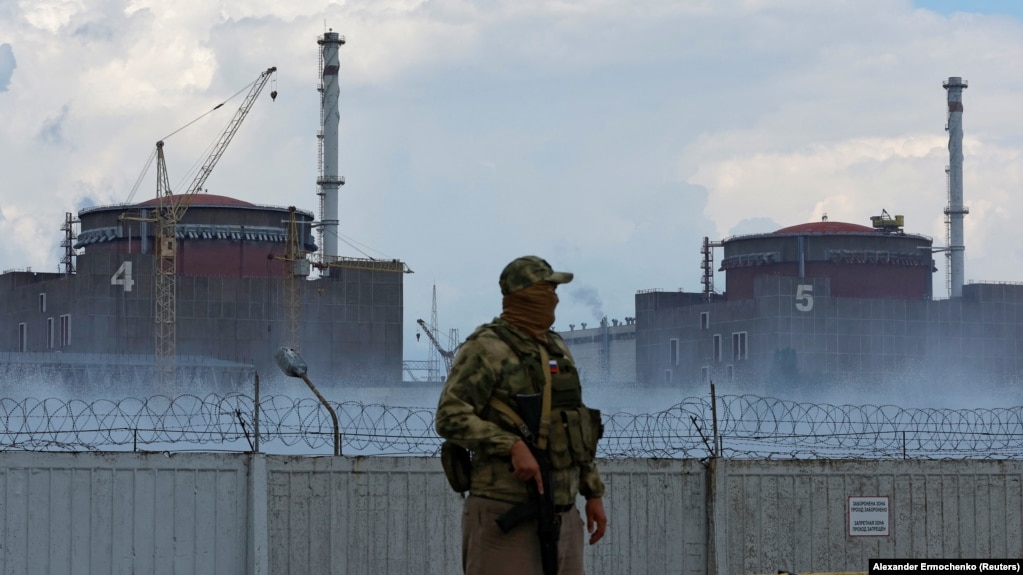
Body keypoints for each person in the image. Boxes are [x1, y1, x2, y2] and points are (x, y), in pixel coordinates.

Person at [435, 255, 608, 575]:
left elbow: (575, 424)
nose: (554, 298)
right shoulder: (485, 347)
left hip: (564, 515)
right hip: (505, 513)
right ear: (524, 294)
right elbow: (449, 415)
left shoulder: (556, 347)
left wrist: (592, 492)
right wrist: (511, 445)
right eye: (548, 289)